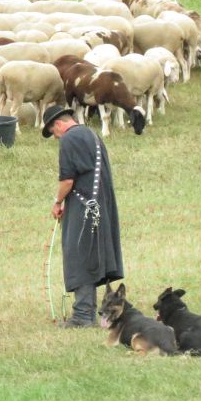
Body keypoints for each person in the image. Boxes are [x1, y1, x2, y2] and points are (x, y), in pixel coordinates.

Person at [42, 105, 124, 328]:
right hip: (100, 205)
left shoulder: (68, 139)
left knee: (78, 254)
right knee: (90, 254)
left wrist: (57, 202)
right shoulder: (91, 134)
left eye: (53, 132)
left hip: (83, 205)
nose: (56, 137)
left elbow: (68, 180)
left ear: (58, 124)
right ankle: (88, 313)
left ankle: (82, 316)